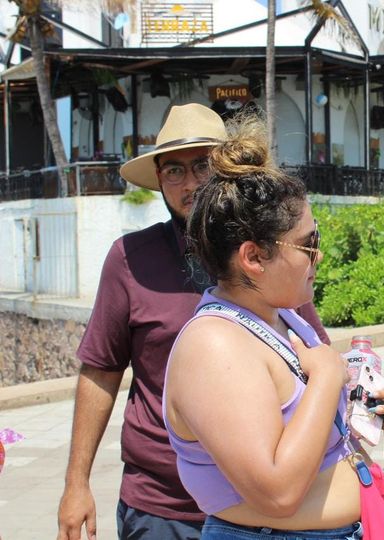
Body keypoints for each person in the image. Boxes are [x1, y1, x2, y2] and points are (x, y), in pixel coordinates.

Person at [56, 104, 330, 540]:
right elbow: (100, 372)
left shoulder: (269, 254)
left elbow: (315, 354)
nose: (189, 184)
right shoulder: (130, 259)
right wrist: (76, 484)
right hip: (162, 504)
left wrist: (366, 398)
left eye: (202, 165)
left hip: (256, 508)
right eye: (174, 171)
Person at [162, 114, 384, 539]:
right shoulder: (214, 348)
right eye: (308, 244)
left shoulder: (280, 316)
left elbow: (305, 433)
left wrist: (372, 410)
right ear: (254, 258)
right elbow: (276, 492)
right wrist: (328, 377)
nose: (318, 256)